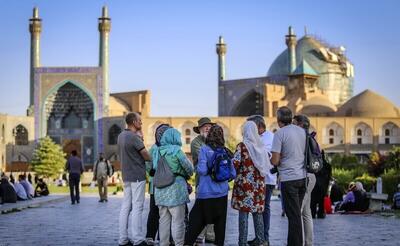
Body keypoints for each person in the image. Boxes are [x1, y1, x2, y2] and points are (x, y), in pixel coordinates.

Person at [185, 125, 236, 246]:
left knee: (196, 220)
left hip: (206, 193)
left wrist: (202, 168)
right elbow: (233, 173)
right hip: (222, 194)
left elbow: (202, 170)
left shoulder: (204, 149)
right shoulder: (226, 151)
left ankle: (187, 243)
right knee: (220, 223)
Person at [271, 106, 307, 246]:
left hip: (289, 179)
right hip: (302, 178)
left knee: (293, 216)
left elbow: (275, 160)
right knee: (296, 214)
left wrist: (272, 159)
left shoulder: (280, 134)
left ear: (278, 120)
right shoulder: (302, 131)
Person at [152, 127, 194, 246]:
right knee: (178, 220)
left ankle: (163, 243)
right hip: (176, 190)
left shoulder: (157, 152)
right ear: (174, 137)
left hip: (160, 190)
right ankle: (179, 244)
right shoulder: (177, 151)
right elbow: (189, 169)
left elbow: (154, 168)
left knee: (163, 220)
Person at [232, 121, 269, 246]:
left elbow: (235, 164)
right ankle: (260, 239)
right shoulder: (261, 147)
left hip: (245, 186)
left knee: (244, 213)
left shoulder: (242, 147)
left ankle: (242, 241)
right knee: (257, 212)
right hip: (259, 186)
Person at [118, 112, 151, 246]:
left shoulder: (121, 136)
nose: (141, 123)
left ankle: (123, 239)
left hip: (126, 176)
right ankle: (138, 239)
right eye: (140, 121)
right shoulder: (133, 137)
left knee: (126, 207)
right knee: (137, 207)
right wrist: (141, 139)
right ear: (133, 122)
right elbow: (146, 156)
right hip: (137, 176)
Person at [247, 115, 275, 246]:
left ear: (258, 126)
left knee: (264, 208)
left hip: (267, 179)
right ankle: (259, 236)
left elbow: (268, 156)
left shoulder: (269, 137)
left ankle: (264, 238)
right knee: (257, 208)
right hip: (255, 179)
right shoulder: (255, 137)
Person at [190, 117, 215, 244]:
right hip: (202, 181)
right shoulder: (196, 143)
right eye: (204, 126)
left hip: (215, 181)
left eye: (209, 126)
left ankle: (210, 234)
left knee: (213, 208)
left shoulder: (216, 140)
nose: (207, 128)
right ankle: (199, 234)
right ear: (199, 129)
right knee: (202, 208)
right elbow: (204, 160)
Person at [292, 114, 317, 246]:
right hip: (312, 176)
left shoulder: (301, 139)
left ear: (301, 125)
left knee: (298, 212)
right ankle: (309, 242)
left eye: (294, 123)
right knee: (306, 213)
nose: (292, 126)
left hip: (305, 176)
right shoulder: (311, 138)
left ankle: (298, 243)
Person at [145, 123, 171, 245]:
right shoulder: (172, 149)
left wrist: (152, 172)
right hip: (168, 185)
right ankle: (164, 237)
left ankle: (150, 236)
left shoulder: (153, 149)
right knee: (166, 212)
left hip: (154, 185)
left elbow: (148, 166)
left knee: (154, 211)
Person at [311, 150, 332, 218]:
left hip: (314, 186)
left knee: (313, 202)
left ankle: (313, 214)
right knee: (321, 202)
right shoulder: (328, 166)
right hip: (323, 187)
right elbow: (329, 177)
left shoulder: (315, 165)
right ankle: (320, 214)